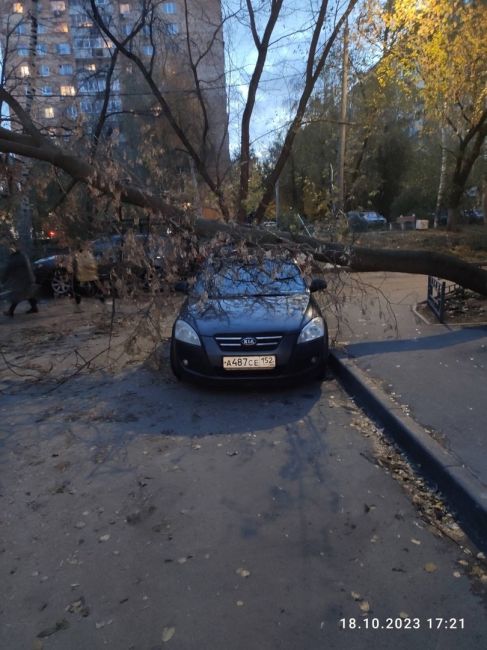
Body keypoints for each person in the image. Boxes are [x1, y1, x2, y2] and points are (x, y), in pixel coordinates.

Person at [2, 247, 39, 317]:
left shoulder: (14, 259)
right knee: (29, 293)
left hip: (22, 280)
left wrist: (3, 280)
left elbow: (8, 270)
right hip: (29, 278)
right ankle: (34, 308)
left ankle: (11, 311)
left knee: (17, 295)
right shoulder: (23, 255)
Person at [72, 244, 105, 310]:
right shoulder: (85, 254)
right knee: (95, 289)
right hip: (87, 275)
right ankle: (103, 304)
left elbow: (76, 266)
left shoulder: (80, 255)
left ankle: (78, 306)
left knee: (77, 290)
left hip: (84, 275)